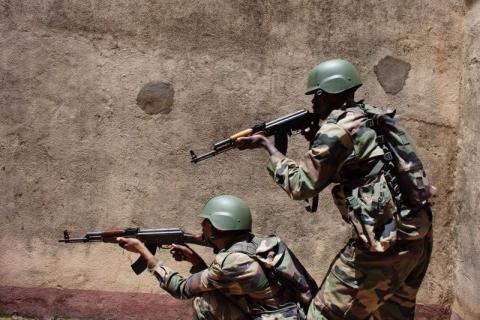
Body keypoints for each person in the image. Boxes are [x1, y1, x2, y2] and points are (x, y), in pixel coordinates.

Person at [237, 59, 434, 320]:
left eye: (315, 97)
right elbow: (367, 165)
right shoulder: (371, 116)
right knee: (391, 314)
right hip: (416, 235)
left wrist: (269, 149)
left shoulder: (337, 128)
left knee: (324, 313)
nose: (313, 104)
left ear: (325, 93)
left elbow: (301, 185)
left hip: (382, 247)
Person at [117, 195, 307, 320]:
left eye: (206, 221)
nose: (201, 224)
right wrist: (196, 261)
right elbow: (220, 281)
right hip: (290, 314)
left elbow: (182, 289)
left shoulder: (231, 262)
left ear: (219, 225)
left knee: (204, 302)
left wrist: (143, 251)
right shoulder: (262, 244)